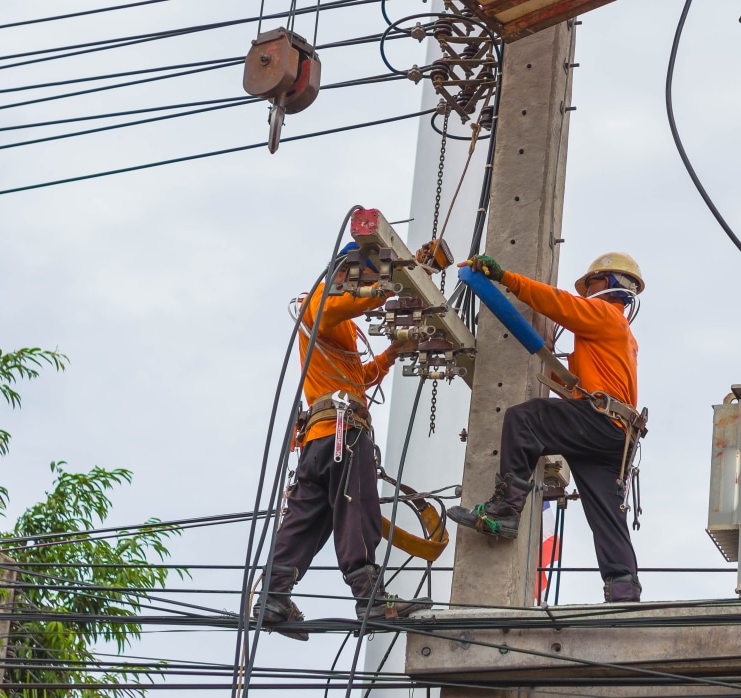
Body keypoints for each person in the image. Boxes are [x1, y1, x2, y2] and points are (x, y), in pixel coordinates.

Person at [254, 243, 431, 641]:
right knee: (356, 511)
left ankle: (273, 596)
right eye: (368, 277)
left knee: (304, 520)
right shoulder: (319, 300)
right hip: (343, 434)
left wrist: (390, 354)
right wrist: (394, 283)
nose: (371, 286)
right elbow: (334, 307)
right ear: (349, 273)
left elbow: (355, 379)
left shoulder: (342, 325)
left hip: (320, 439)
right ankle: (370, 599)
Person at [447, 252, 645, 603]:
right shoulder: (621, 335)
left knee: (525, 419)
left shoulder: (603, 314)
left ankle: (505, 510)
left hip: (602, 422)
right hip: (617, 435)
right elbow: (576, 388)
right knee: (605, 511)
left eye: (593, 283)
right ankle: (623, 588)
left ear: (612, 285)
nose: (587, 291)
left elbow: (555, 301)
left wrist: (505, 276)